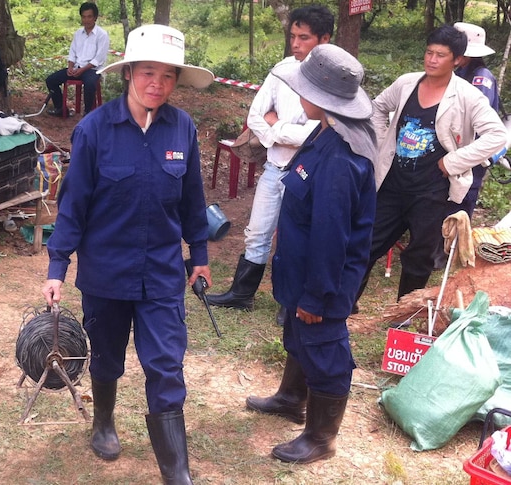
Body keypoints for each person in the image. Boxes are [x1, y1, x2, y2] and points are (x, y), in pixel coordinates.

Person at [42, 24, 213, 484]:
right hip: (106, 272)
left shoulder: (183, 128)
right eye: (148, 73)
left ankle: (176, 472)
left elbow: (193, 199)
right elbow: (73, 206)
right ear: (129, 73)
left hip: (161, 272)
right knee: (107, 357)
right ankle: (103, 422)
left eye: (168, 75)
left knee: (165, 362)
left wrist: (199, 253)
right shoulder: (94, 130)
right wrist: (58, 266)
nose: (157, 83)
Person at [249, 44, 376, 464]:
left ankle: (321, 438)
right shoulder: (323, 131)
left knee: (324, 347)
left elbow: (331, 236)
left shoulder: (341, 156)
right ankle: (290, 397)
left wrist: (317, 296)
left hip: (321, 279)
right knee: (298, 336)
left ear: (321, 97)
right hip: (300, 271)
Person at [354, 25, 506, 307]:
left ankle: (404, 315)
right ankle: (345, 305)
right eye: (429, 52)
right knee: (365, 244)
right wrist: (380, 142)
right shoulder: (406, 83)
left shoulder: (467, 96)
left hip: (433, 192)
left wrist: (453, 161)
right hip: (392, 184)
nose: (432, 60)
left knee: (419, 256)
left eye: (441, 55)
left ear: (457, 59)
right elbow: (376, 107)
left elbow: (497, 135)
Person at [206, 5, 334, 325]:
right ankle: (242, 293)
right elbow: (254, 116)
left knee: (294, 238)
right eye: (292, 36)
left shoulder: (332, 79)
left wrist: (276, 128)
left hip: (308, 175)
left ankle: (289, 301)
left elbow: (317, 133)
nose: (295, 43)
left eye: (304, 37)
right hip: (275, 167)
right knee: (257, 231)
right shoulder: (281, 70)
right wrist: (280, 133)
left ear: (324, 39)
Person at [452, 22, 501, 217]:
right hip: (455, 146)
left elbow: (477, 117)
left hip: (473, 149)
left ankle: (456, 244)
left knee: (464, 198)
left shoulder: (481, 77)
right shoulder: (458, 72)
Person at [45, 2, 110, 117]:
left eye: (89, 17)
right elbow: (72, 53)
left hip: (92, 70)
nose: (86, 20)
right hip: (76, 68)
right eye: (84, 17)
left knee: (90, 83)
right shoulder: (78, 33)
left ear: (95, 17)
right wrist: (70, 67)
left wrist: (83, 69)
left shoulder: (102, 35)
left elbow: (98, 59)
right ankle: (60, 108)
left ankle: (88, 113)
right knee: (51, 80)